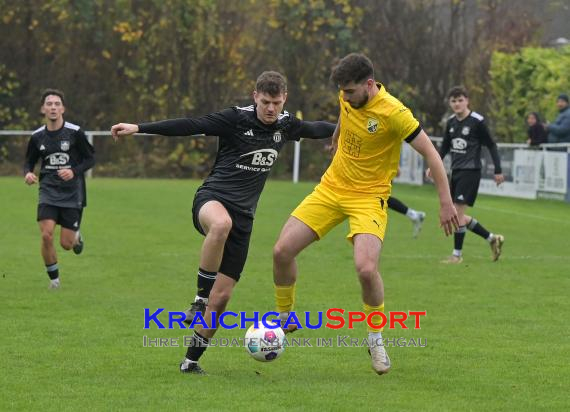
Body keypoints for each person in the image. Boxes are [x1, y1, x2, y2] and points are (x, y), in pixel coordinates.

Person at [111, 71, 335, 374]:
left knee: (224, 297)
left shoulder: (285, 124)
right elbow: (191, 125)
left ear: (285, 100)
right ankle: (198, 298)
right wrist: (138, 127)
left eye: (277, 103)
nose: (271, 109)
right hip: (211, 200)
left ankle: (190, 361)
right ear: (255, 96)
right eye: (266, 102)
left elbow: (318, 128)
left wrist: (351, 126)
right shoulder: (235, 119)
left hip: (245, 219)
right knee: (220, 225)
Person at [272, 53, 459, 375]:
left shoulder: (394, 112)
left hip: (369, 198)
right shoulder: (348, 97)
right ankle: (285, 316)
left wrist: (445, 203)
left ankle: (375, 338)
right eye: (342, 92)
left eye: (350, 92)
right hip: (331, 189)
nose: (344, 97)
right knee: (281, 251)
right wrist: (335, 139)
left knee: (366, 269)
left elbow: (431, 152)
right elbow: (345, 116)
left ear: (369, 85)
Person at [24, 89, 95, 289]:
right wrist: (28, 173)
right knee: (46, 234)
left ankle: (76, 236)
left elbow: (91, 159)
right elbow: (29, 162)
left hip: (73, 193)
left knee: (66, 244)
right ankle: (54, 280)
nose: (53, 107)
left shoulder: (75, 132)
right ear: (42, 109)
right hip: (47, 191)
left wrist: (74, 171)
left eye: (57, 104)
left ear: (63, 108)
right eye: (49, 104)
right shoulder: (37, 136)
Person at [427, 86, 504, 264]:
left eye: (460, 100)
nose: (457, 104)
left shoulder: (477, 121)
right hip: (456, 172)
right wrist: (434, 164)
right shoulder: (451, 122)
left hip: (471, 171)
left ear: (467, 101)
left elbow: (491, 145)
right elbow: (445, 146)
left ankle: (457, 255)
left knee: (458, 215)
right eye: (453, 101)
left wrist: (498, 169)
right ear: (450, 103)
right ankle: (492, 238)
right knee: (458, 215)